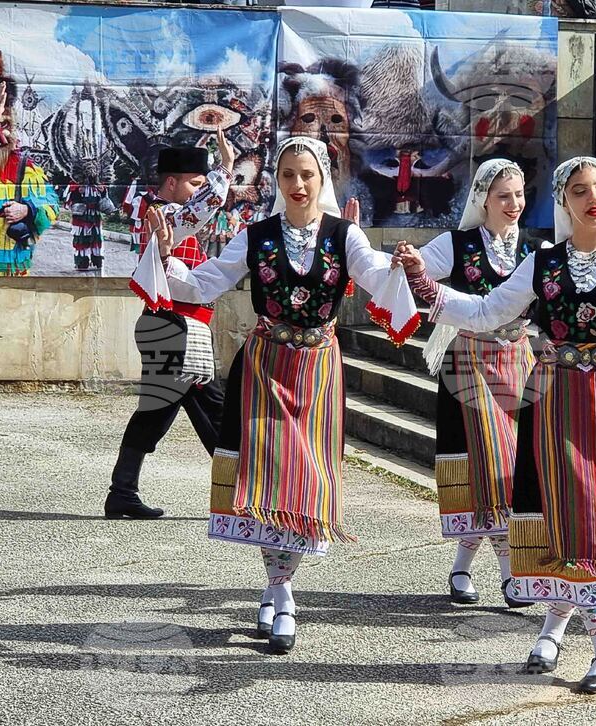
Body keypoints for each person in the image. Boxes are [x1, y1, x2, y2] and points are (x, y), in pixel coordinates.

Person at [396, 156, 596, 694]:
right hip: (554, 399)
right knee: (561, 510)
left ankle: (594, 644)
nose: (592, 197)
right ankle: (569, 634)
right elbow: (485, 312)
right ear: (564, 202)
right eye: (578, 190)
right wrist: (423, 285)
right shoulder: (542, 263)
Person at [156, 135, 413, 655]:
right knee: (271, 477)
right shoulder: (257, 234)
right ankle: (282, 591)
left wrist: (402, 265)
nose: (298, 185)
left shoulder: (345, 236)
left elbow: (375, 276)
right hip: (266, 364)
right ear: (277, 181)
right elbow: (204, 284)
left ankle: (276, 588)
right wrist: (166, 258)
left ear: (323, 180)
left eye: (308, 175)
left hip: (318, 369)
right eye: (288, 175)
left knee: (304, 481)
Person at [408, 159, 548, 608]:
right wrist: (410, 266)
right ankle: (511, 574)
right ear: (482, 199)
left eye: (519, 194)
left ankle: (461, 566)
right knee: (488, 460)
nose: (514, 204)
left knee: (509, 461)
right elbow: (410, 275)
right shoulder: (457, 244)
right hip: (468, 359)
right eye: (503, 196)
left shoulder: (536, 249)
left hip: (518, 359)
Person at [105, 133, 235, 520]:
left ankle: (123, 492)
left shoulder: (170, 218)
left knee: (181, 412)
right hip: (172, 328)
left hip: (180, 328)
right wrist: (225, 170)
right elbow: (204, 208)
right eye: (195, 183)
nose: (200, 191)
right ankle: (239, 498)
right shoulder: (161, 215)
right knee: (209, 414)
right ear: (172, 182)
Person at [0, 79, 59, 277]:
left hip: (15, 269)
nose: (2, 133)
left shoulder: (27, 168)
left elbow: (52, 207)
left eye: (5, 124)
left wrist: (27, 209)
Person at [64, 167, 115, 273]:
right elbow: (68, 200)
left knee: (96, 238)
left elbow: (105, 198)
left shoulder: (99, 184)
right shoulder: (75, 184)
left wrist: (103, 191)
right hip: (81, 217)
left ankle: (97, 260)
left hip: (95, 215)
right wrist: (78, 192)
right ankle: (82, 261)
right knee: (81, 238)